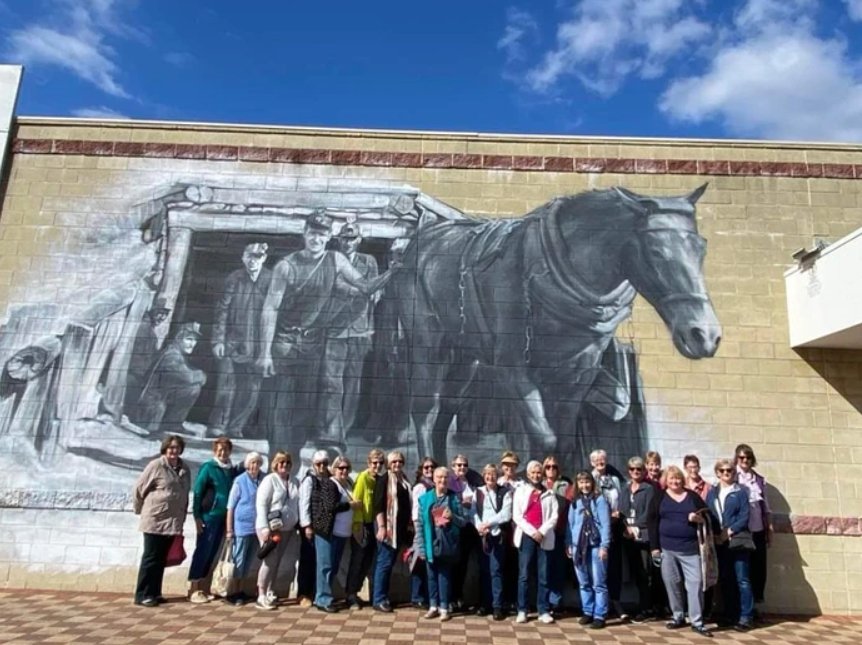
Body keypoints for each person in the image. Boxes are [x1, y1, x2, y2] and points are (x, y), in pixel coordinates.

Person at [257, 212, 397, 456]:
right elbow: (270, 308)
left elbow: (365, 287)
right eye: (312, 233)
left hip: (313, 343)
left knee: (306, 402)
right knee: (282, 403)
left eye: (321, 234)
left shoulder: (336, 260)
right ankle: (277, 456)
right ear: (304, 233)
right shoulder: (286, 266)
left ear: (329, 236)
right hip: (286, 342)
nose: (316, 238)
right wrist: (264, 353)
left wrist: (393, 271)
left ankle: (295, 453)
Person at [208, 242, 272, 438]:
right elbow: (222, 311)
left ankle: (235, 427)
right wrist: (217, 340)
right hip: (232, 343)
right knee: (226, 387)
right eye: (249, 256)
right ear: (243, 257)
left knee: (251, 390)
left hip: (257, 346)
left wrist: (269, 350)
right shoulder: (234, 279)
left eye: (258, 257)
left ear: (264, 258)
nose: (253, 260)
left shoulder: (271, 280)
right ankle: (218, 426)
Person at [649, 465, 713, 638]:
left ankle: (697, 621)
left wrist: (698, 518)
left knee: (695, 584)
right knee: (672, 583)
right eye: (671, 478)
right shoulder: (659, 497)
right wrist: (654, 548)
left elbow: (709, 516)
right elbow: (652, 522)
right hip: (667, 549)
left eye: (677, 478)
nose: (675, 481)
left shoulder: (692, 497)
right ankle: (678, 616)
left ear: (682, 479)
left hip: (690, 550)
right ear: (666, 481)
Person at [132, 434, 191, 607]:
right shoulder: (156, 465)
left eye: (177, 448)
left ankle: (155, 592)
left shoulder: (184, 468)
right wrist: (141, 511)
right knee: (150, 558)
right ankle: (142, 594)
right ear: (165, 449)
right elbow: (138, 489)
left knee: (161, 559)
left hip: (172, 522)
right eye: (171, 447)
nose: (174, 451)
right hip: (155, 520)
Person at [333, 224, 379, 437]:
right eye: (344, 238)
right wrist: (359, 291)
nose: (348, 242)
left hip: (360, 331)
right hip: (334, 330)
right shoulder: (331, 259)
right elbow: (333, 286)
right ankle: (330, 429)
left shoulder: (368, 261)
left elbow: (374, 290)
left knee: (353, 383)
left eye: (352, 239)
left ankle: (344, 427)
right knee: (331, 383)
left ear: (359, 239)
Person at [188, 438, 239, 604]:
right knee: (202, 551)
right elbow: (197, 492)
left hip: (223, 518)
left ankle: (203, 587)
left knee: (212, 553)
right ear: (214, 451)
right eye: (219, 450)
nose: (223, 453)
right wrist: (196, 516)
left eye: (225, 450)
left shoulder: (231, 470)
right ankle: (194, 588)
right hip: (208, 516)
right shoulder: (209, 468)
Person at [707, 458, 754, 631]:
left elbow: (744, 516)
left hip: (738, 540)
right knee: (726, 579)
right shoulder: (712, 493)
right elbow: (709, 514)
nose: (727, 474)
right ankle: (730, 614)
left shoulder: (740, 492)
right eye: (723, 471)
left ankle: (746, 616)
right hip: (720, 541)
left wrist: (729, 531)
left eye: (730, 471)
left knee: (742, 579)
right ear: (717, 473)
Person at [310, 451, 361, 613]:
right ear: (334, 469)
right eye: (340, 468)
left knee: (333, 566)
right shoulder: (329, 484)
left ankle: (327, 595)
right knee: (325, 566)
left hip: (342, 533)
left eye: (347, 468)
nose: (344, 471)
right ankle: (322, 599)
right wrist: (350, 506)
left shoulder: (349, 484)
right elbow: (329, 507)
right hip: (328, 532)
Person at [135, 322, 207, 436]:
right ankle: (170, 424)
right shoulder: (171, 355)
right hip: (149, 408)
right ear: (178, 338)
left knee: (192, 388)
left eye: (195, 340)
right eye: (189, 339)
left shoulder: (176, 353)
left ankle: (173, 424)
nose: (192, 344)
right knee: (193, 387)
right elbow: (187, 377)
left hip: (159, 400)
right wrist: (201, 375)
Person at [415, 466, 467, 621]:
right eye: (439, 477)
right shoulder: (425, 499)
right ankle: (432, 606)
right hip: (430, 542)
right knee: (431, 576)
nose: (442, 480)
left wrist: (453, 517)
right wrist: (421, 547)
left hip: (447, 543)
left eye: (445, 477)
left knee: (444, 576)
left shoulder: (454, 498)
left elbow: (463, 521)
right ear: (434, 479)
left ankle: (444, 607)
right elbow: (419, 524)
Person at [512, 460, 559, 624]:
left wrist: (542, 531)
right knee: (524, 575)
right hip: (527, 536)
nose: (536, 475)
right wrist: (533, 532)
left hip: (544, 537)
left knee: (543, 575)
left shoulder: (550, 494)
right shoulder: (520, 491)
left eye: (538, 472)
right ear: (527, 474)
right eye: (532, 472)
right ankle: (522, 610)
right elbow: (517, 516)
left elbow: (554, 516)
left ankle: (543, 610)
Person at [255, 451, 300, 611]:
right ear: (275, 464)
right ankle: (260, 594)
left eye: (287, 462)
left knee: (278, 561)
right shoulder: (270, 480)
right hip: (271, 528)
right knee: (269, 561)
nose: (284, 465)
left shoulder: (294, 481)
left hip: (287, 529)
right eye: (281, 462)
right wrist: (264, 528)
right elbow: (261, 505)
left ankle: (270, 591)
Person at [566, 471, 611, 630]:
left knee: (598, 582)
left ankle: (600, 614)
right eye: (581, 482)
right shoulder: (575, 502)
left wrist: (604, 546)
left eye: (587, 482)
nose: (584, 485)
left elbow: (605, 524)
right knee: (583, 582)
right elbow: (570, 525)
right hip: (579, 546)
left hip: (595, 545)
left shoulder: (599, 500)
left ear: (592, 483)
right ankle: (588, 610)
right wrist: (570, 544)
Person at [371, 450, 412, 612]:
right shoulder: (384, 479)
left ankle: (384, 596)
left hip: (400, 530)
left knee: (388, 564)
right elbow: (378, 505)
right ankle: (378, 599)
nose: (397, 464)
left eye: (400, 461)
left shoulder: (404, 480)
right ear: (388, 463)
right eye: (394, 461)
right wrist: (381, 527)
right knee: (384, 563)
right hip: (388, 530)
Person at [618, 456, 658, 622]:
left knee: (644, 573)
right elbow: (621, 511)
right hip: (628, 537)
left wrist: (635, 528)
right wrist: (625, 526)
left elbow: (649, 514)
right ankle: (639, 606)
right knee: (634, 572)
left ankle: (646, 608)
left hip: (643, 537)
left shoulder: (649, 489)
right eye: (632, 469)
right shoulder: (625, 489)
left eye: (639, 469)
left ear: (644, 471)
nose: (636, 472)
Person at [734, 443, 772, 615]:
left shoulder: (759, 479)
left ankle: (752, 607)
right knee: (741, 571)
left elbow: (766, 507)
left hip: (757, 529)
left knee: (757, 569)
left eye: (748, 457)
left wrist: (769, 529)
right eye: (741, 457)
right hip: (740, 531)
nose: (745, 461)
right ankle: (740, 610)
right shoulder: (732, 476)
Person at [346, 449, 386, 609]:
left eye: (380, 463)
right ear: (368, 463)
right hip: (362, 524)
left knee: (367, 562)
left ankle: (357, 592)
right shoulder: (363, 478)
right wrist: (358, 527)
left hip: (373, 525)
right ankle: (350, 595)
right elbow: (356, 503)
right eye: (374, 463)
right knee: (358, 560)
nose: (377, 466)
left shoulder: (379, 480)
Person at [225, 451, 264, 606]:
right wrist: (229, 530)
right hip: (241, 527)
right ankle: (233, 591)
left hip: (256, 527)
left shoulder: (263, 479)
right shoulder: (239, 481)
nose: (255, 466)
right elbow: (231, 507)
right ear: (247, 465)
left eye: (257, 462)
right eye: (252, 462)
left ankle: (241, 590)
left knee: (248, 561)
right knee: (238, 560)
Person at [590, 449, 625, 620]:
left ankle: (616, 601)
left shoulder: (615, 480)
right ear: (591, 462)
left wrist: (618, 512)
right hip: (596, 530)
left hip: (614, 528)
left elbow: (621, 499)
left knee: (614, 566)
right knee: (598, 567)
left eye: (602, 458)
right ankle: (597, 605)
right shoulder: (589, 480)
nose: (600, 461)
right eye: (596, 459)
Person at [474, 464, 512, 621]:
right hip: (483, 535)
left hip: (497, 535)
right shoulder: (479, 492)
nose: (490, 477)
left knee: (496, 570)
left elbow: (506, 514)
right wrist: (479, 526)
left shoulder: (505, 492)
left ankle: (497, 605)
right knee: (483, 570)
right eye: (487, 474)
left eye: (493, 474)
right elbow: (473, 512)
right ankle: (485, 604)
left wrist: (488, 523)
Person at [124, 297, 170, 418]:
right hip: (132, 373)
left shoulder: (150, 330)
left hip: (138, 373)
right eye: (160, 313)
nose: (162, 318)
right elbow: (137, 355)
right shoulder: (144, 328)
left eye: (164, 315)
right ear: (153, 311)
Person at [448, 453, 477, 612]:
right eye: (459, 465)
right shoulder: (451, 482)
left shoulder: (472, 481)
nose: (462, 468)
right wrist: (461, 502)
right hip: (455, 528)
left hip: (470, 528)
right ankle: (451, 598)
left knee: (464, 564)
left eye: (464, 465)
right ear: (453, 467)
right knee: (454, 564)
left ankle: (459, 596)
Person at [541, 455, 570, 615]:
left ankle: (556, 603)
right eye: (548, 466)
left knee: (558, 569)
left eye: (554, 467)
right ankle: (544, 603)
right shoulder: (540, 485)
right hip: (543, 532)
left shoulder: (566, 486)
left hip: (559, 532)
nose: (551, 469)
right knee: (544, 569)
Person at [410, 457, 438, 609]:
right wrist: (417, 531)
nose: (429, 469)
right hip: (421, 528)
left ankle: (426, 596)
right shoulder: (420, 487)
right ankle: (417, 596)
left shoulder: (435, 485)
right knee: (419, 562)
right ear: (421, 469)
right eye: (426, 467)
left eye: (432, 466)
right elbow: (416, 511)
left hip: (434, 528)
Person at [498, 450, 522, 612]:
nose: (509, 468)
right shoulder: (496, 482)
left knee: (515, 565)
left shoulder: (522, 485)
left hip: (516, 527)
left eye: (512, 465)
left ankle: (513, 600)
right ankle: (500, 600)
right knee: (499, 565)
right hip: (500, 528)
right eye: (506, 465)